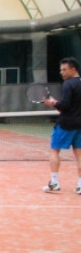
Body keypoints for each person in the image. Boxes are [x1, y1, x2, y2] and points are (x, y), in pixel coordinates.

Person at [40, 57, 81, 194]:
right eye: (60, 70)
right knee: (79, 154)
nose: (62, 72)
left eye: (64, 69)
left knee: (54, 151)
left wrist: (53, 103)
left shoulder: (68, 84)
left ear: (73, 69)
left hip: (66, 124)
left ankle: (54, 182)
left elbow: (65, 106)